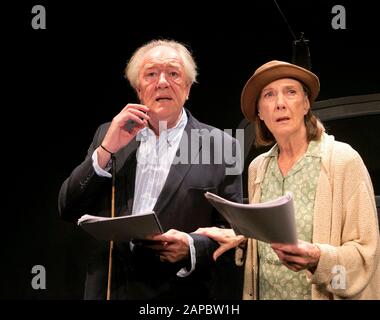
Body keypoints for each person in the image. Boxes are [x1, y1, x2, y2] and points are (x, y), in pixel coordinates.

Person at [58, 39, 242, 300]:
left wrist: (191, 246)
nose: (163, 82)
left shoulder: (223, 145)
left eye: (174, 74)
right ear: (139, 88)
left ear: (188, 88)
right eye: (152, 74)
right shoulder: (109, 134)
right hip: (112, 289)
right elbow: (69, 207)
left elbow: (235, 232)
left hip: (177, 293)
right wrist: (106, 150)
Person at [195, 60, 380, 299]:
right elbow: (265, 237)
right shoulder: (258, 168)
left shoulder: (342, 161)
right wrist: (242, 239)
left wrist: (317, 258)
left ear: (305, 104)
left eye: (290, 92)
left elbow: (366, 256)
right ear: (260, 112)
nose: (280, 104)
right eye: (269, 95)